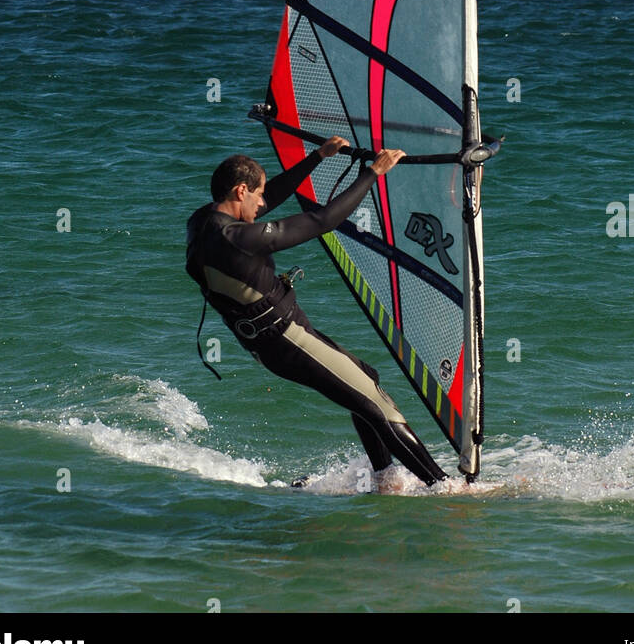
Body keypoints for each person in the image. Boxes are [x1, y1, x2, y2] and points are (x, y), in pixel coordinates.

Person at [185, 137, 447, 489]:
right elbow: (323, 220)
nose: (263, 203)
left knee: (365, 378)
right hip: (287, 339)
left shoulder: (202, 222)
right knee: (377, 404)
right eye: (257, 194)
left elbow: (266, 202)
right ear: (240, 190)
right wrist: (373, 173)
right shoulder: (238, 238)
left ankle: (386, 479)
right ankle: (448, 487)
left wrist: (316, 158)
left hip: (272, 342)